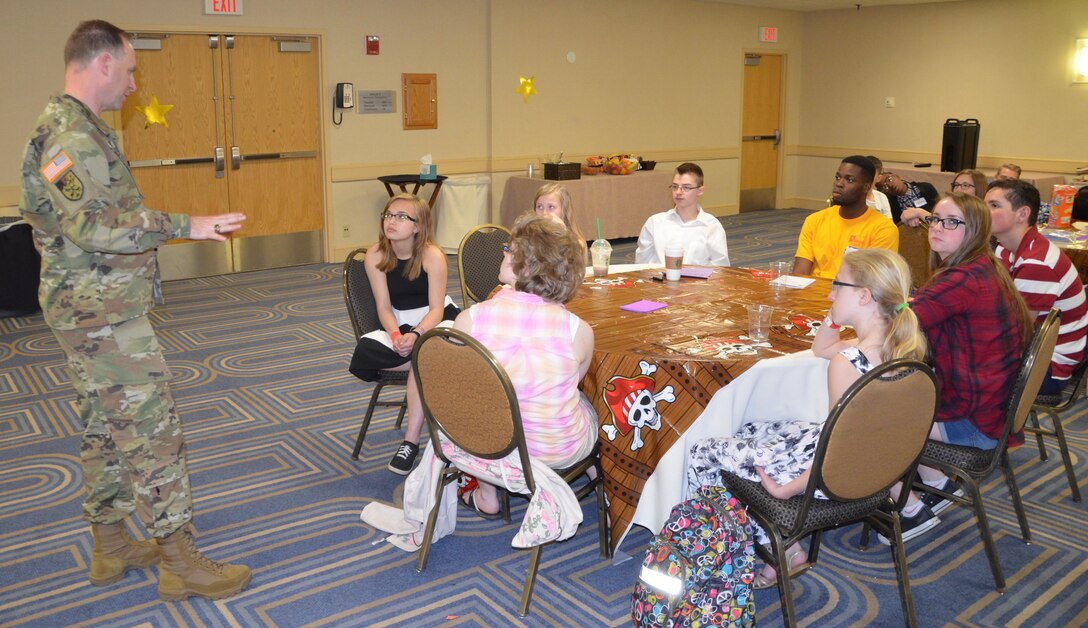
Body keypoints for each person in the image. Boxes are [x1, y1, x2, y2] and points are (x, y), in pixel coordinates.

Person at [19, 20, 250, 600]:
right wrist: (186, 225)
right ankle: (179, 561)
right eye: (129, 68)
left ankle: (110, 542)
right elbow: (93, 226)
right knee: (153, 432)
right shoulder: (69, 139)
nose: (133, 81)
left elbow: (54, 229)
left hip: (88, 308)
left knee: (103, 426)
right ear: (101, 64)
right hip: (101, 316)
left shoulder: (77, 130)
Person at [688, 248, 927, 587]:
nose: (829, 293)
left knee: (703, 452)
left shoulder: (848, 362)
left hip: (836, 475)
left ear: (863, 296)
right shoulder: (902, 347)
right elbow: (819, 348)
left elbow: (833, 453)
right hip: (876, 467)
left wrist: (789, 490)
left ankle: (777, 548)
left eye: (836, 286)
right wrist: (834, 314)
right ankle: (777, 543)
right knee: (752, 426)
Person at [886, 192, 1033, 544]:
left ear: (974, 230)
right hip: (995, 412)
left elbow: (898, 328)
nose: (937, 228)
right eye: (935, 219)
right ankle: (937, 483)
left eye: (951, 222)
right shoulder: (985, 266)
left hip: (974, 423)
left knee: (870, 415)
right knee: (903, 390)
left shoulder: (959, 280)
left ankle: (911, 508)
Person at [451, 215, 598, 516]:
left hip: (490, 447)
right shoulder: (579, 330)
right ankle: (602, 482)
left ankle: (486, 491)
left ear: (529, 266)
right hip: (557, 449)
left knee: (482, 401)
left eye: (510, 249)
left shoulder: (470, 319)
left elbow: (459, 392)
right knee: (592, 401)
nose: (503, 253)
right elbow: (572, 386)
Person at [348, 193, 460, 475]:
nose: (391, 221)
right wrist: (397, 335)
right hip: (398, 321)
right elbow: (384, 307)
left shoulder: (432, 255)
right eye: (388, 215)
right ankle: (434, 362)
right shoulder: (375, 254)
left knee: (425, 354)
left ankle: (410, 442)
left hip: (433, 321)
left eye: (401, 217)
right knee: (366, 353)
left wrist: (418, 334)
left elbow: (436, 309)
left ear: (418, 226)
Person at [988, 179, 1088, 402]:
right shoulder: (1005, 248)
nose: (984, 212)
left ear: (1022, 214)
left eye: (994, 206)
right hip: (1029, 353)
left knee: (956, 370)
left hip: (1046, 366)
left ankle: (974, 434)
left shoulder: (1037, 263)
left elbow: (1016, 334)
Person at [794, 155, 898, 279]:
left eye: (850, 180)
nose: (839, 184)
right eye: (838, 177)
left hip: (854, 295)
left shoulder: (883, 229)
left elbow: (875, 283)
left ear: (866, 187)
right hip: (813, 293)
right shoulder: (815, 220)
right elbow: (799, 274)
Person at [635, 162, 730, 266]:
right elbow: (641, 265)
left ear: (700, 191)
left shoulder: (712, 226)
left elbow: (721, 269)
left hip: (698, 281)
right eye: (675, 186)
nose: (678, 192)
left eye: (686, 187)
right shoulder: (655, 223)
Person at [865, 155, 893, 220]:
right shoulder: (851, 197)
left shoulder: (881, 197)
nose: (866, 178)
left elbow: (889, 224)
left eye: (871, 175)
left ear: (878, 178)